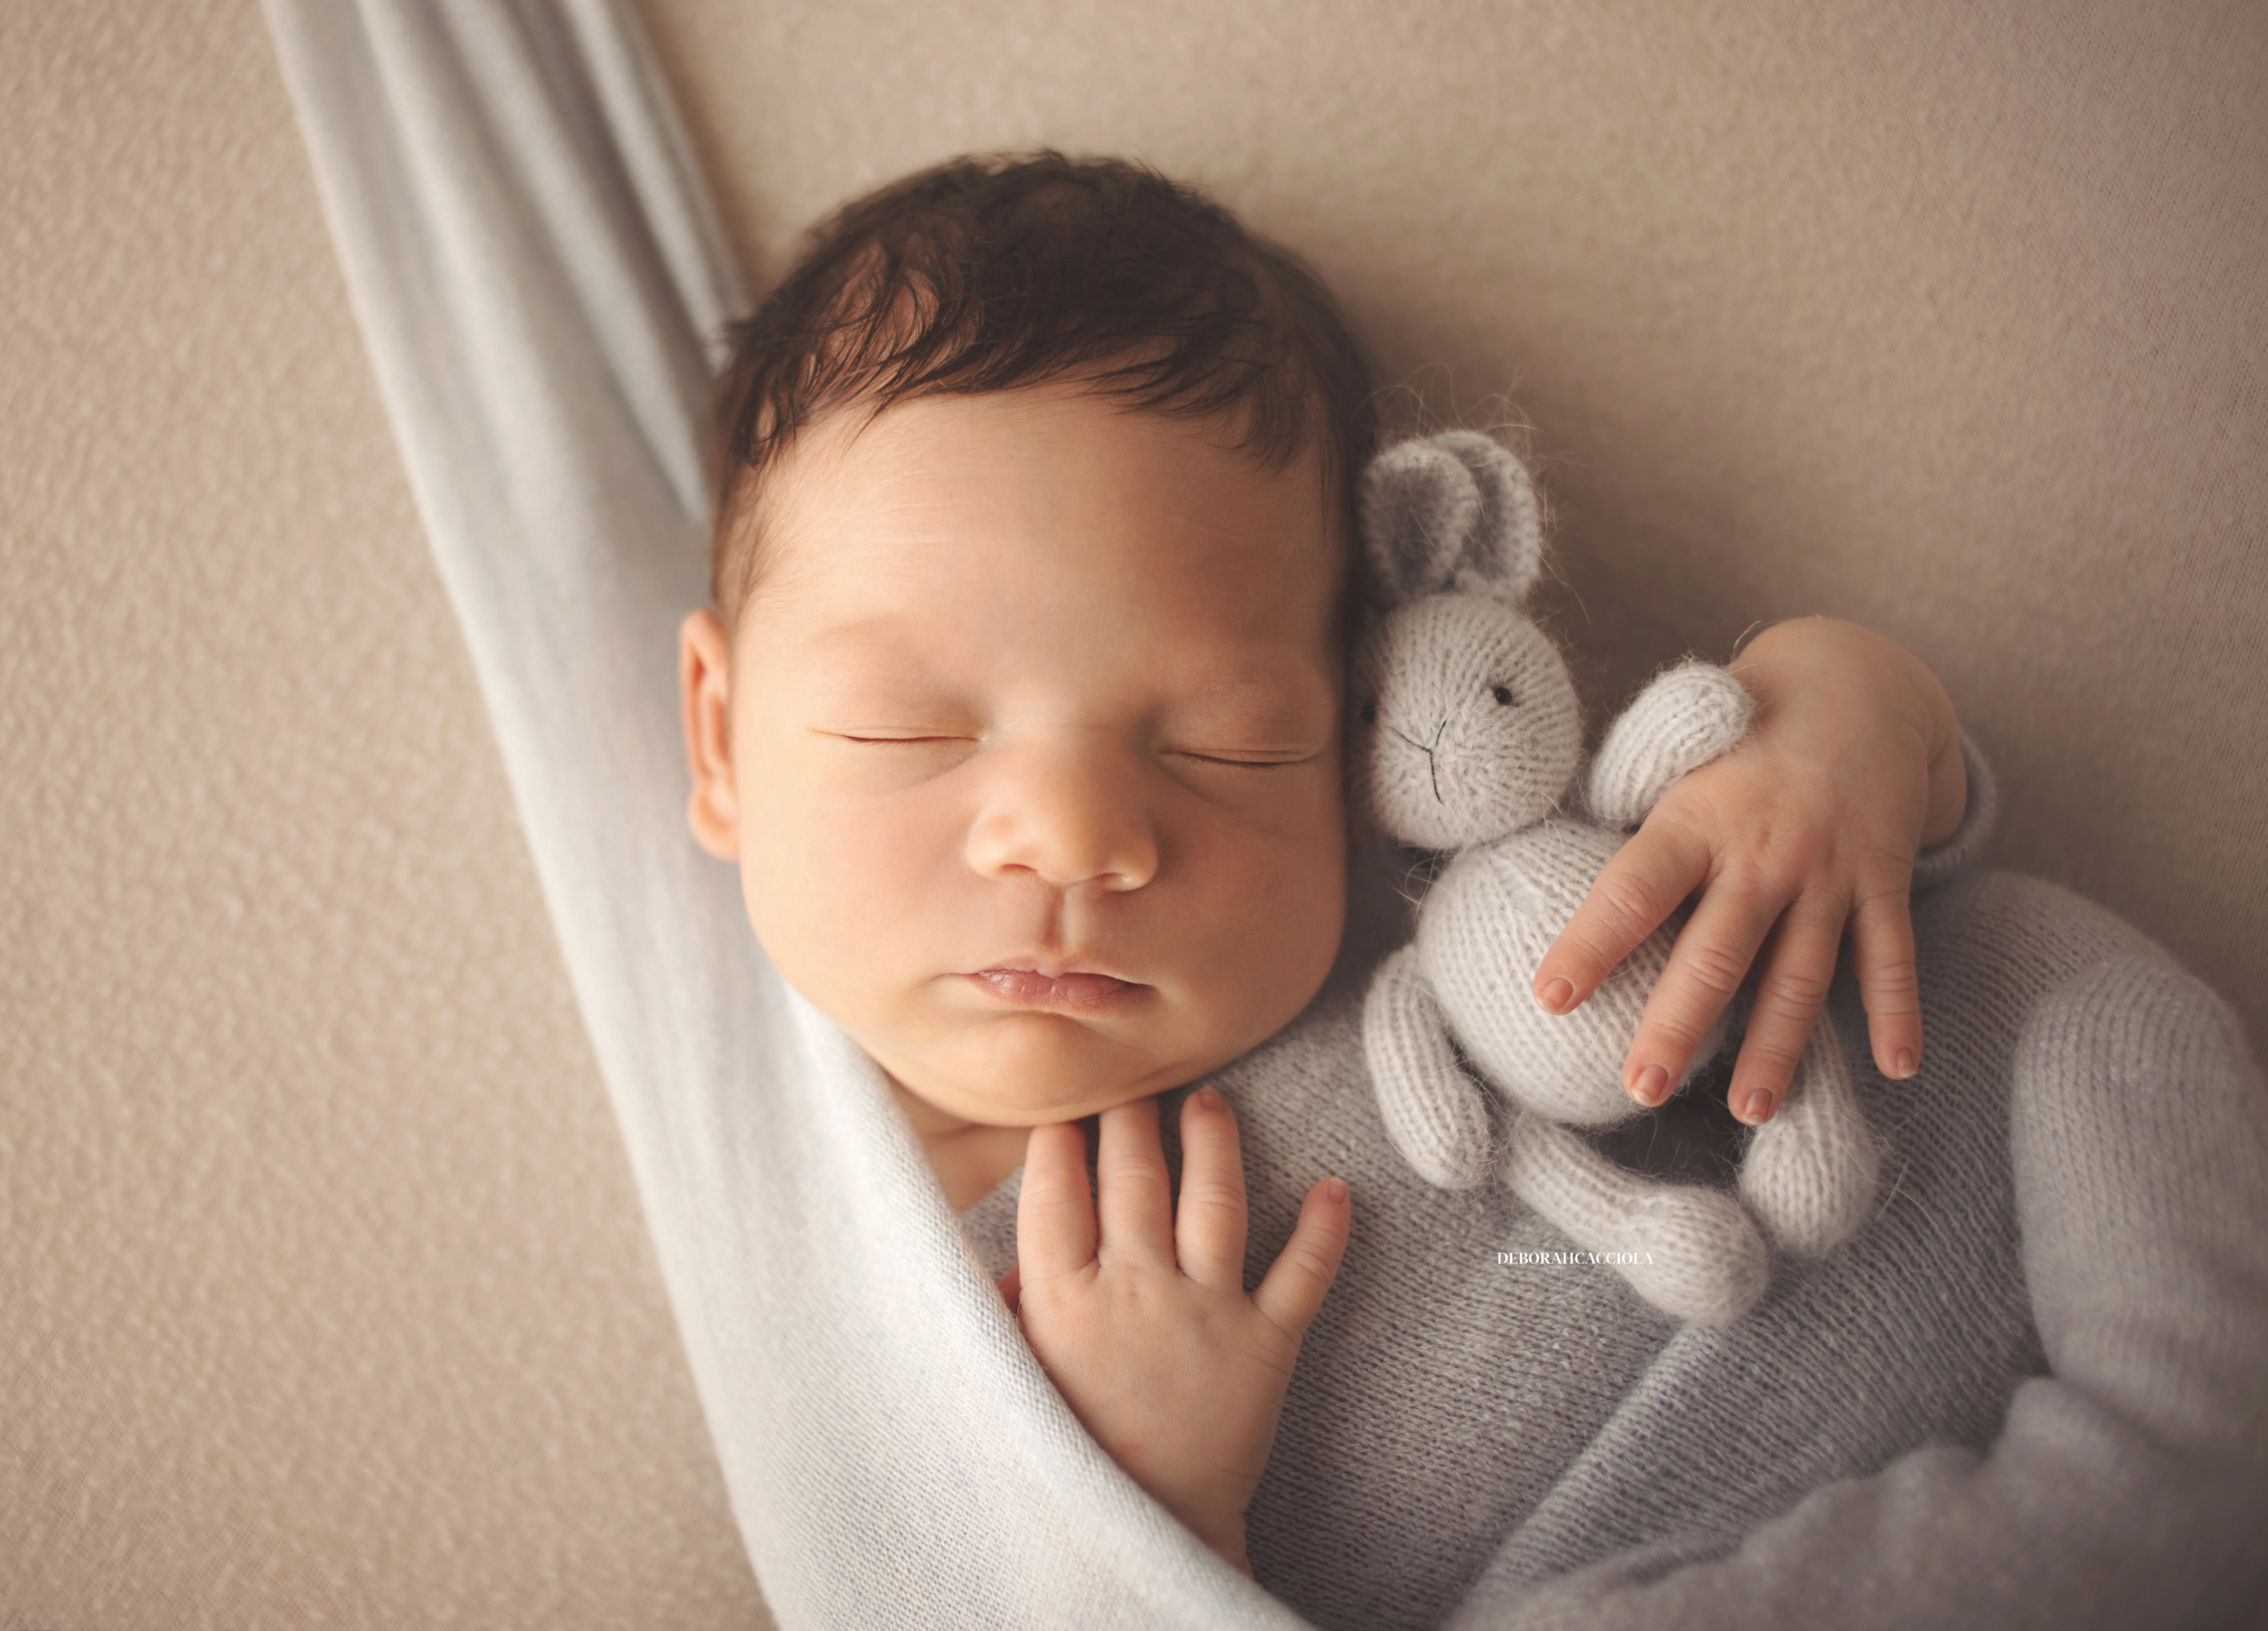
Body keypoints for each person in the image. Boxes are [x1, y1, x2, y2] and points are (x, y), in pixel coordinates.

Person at [671, 151, 2266, 1626]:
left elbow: (1795, 797)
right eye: (910, 726)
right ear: (721, 738)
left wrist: (1840, 718)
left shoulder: (1420, 904)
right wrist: (1157, 1528)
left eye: (1226, 747)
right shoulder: (863, 1387)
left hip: (2048, 1088)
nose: (1078, 837)